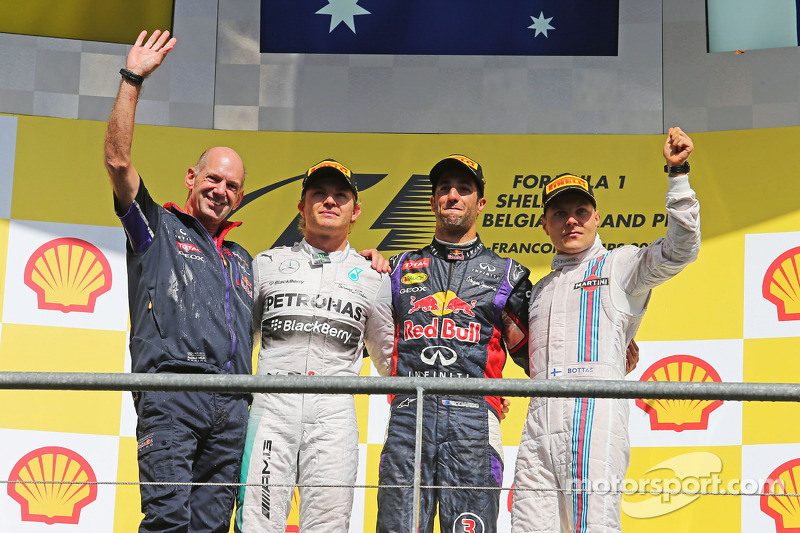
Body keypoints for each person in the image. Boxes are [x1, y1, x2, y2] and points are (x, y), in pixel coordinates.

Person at [511, 127, 701, 533]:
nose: (571, 221)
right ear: (545, 225)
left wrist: (678, 173)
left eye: (581, 211)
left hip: (594, 411)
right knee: (527, 527)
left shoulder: (621, 265)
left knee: (592, 526)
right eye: (560, 213)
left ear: (597, 217)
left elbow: (682, 247)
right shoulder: (540, 288)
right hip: (538, 418)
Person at [104, 30, 254, 533]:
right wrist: (132, 80)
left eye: (232, 185)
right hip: (171, 394)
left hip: (232, 406)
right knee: (168, 521)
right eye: (212, 178)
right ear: (191, 178)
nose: (221, 190)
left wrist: (371, 261)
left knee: (212, 529)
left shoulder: (242, 258)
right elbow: (118, 163)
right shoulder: (156, 228)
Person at [236, 160, 395, 532]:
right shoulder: (266, 264)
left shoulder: (374, 277)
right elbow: (239, 344)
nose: (329, 201)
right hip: (271, 409)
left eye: (340, 195)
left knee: (328, 525)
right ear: (301, 206)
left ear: (355, 212)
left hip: (334, 415)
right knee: (258, 522)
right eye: (318, 194)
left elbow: (390, 361)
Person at [376, 155, 532, 533]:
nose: (452, 195)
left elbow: (537, 354)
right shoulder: (394, 269)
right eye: (444, 189)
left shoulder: (507, 275)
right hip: (408, 418)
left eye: (464, 189)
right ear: (432, 202)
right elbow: (372, 337)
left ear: (480, 203)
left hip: (475, 420)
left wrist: (610, 348)